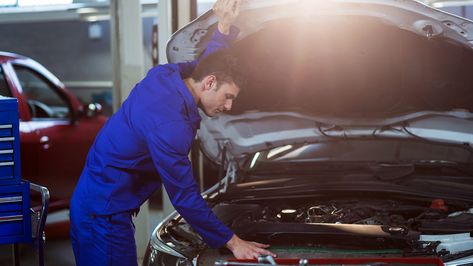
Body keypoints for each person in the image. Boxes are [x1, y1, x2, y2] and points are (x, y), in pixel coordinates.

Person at [70, 0, 276, 265]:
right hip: (103, 216)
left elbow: (208, 64)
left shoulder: (170, 75)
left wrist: (224, 28)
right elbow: (184, 196)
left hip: (97, 204)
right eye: (227, 97)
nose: (229, 106)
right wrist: (234, 242)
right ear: (210, 83)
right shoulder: (169, 125)